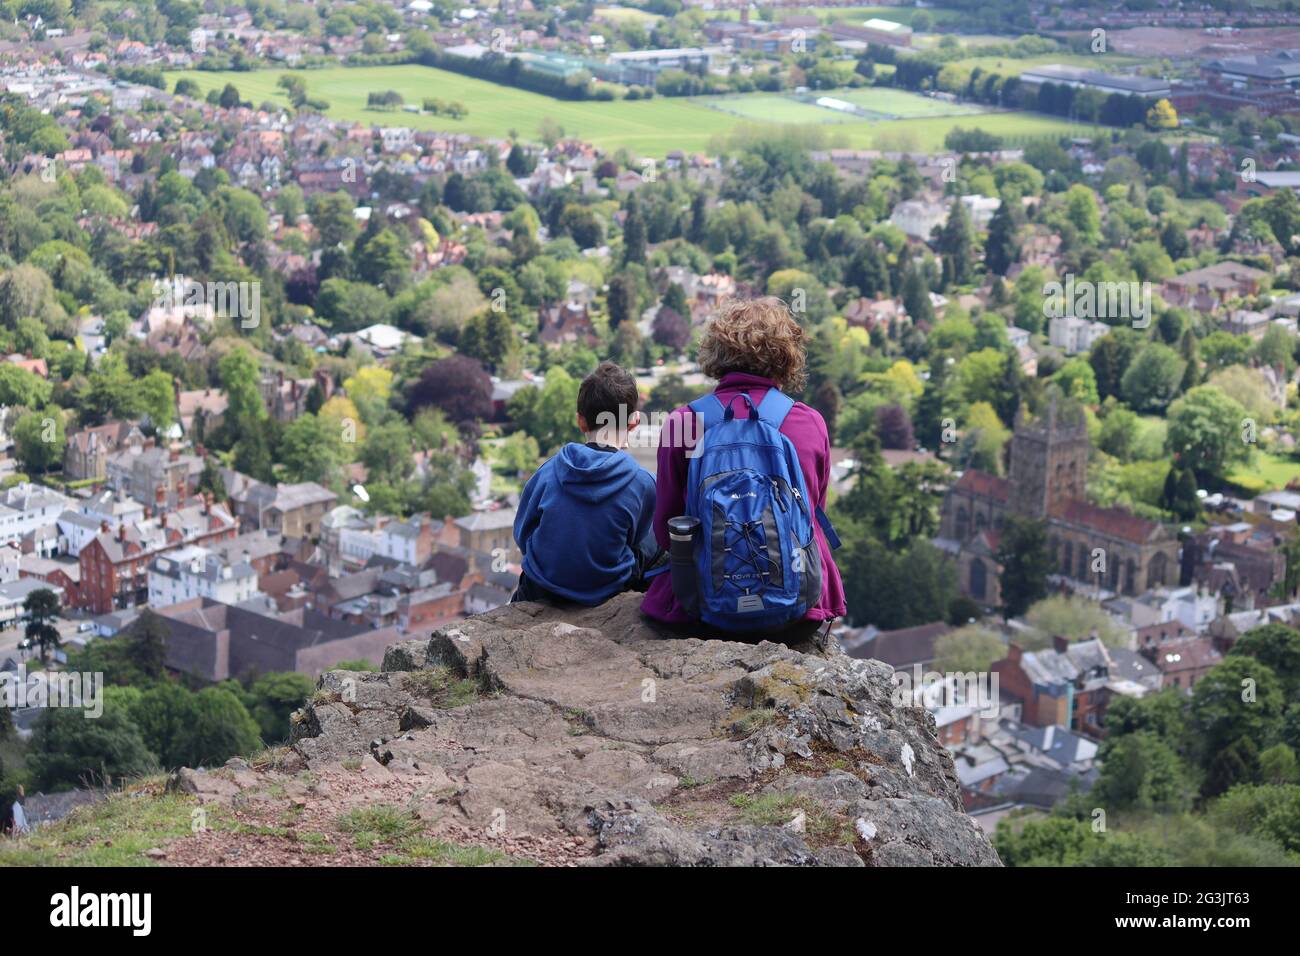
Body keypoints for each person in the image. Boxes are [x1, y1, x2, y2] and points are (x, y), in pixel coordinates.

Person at [642, 297, 845, 641]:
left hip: (703, 609)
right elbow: (812, 518)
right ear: (786, 357)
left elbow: (666, 534)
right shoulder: (809, 423)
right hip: (797, 609)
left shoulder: (683, 423)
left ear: (716, 354)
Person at [512, 361, 660, 606]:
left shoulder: (549, 470)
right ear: (633, 423)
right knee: (663, 531)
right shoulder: (642, 482)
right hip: (605, 589)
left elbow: (523, 532)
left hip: (540, 587)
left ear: (581, 421)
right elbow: (636, 538)